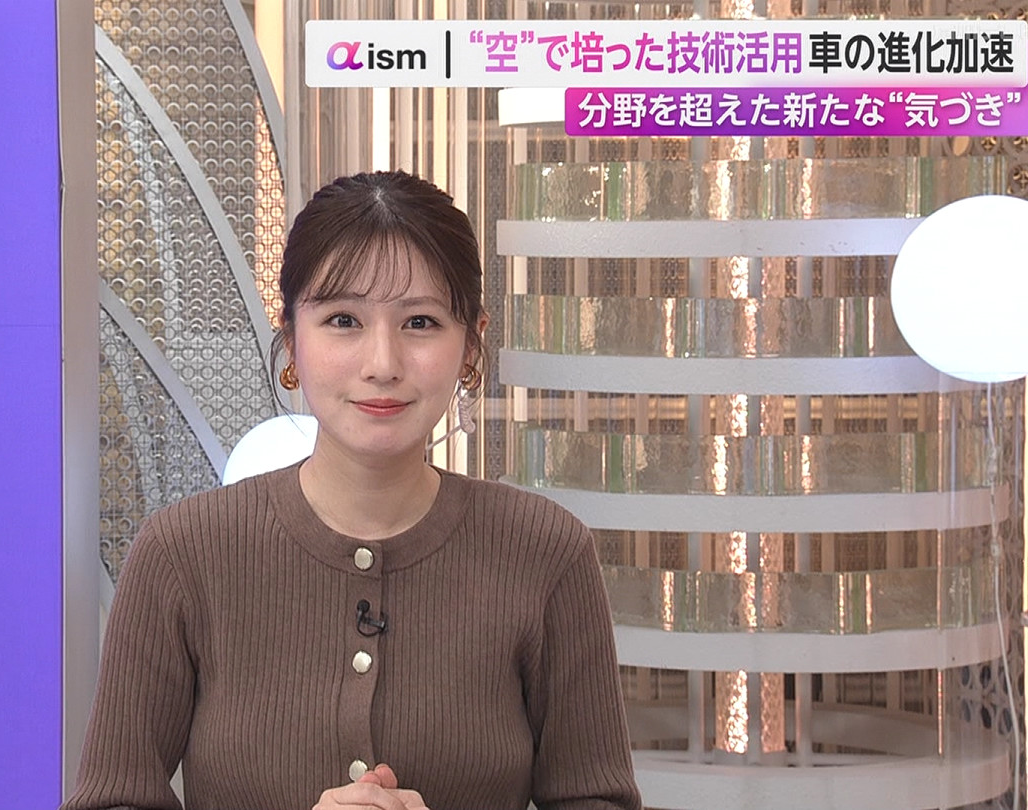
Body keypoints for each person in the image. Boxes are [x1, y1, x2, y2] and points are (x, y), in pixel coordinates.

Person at [61, 170, 642, 810]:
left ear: (471, 346)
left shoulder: (547, 552)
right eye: (343, 320)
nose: (382, 363)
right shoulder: (182, 552)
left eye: (420, 322)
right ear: (291, 338)